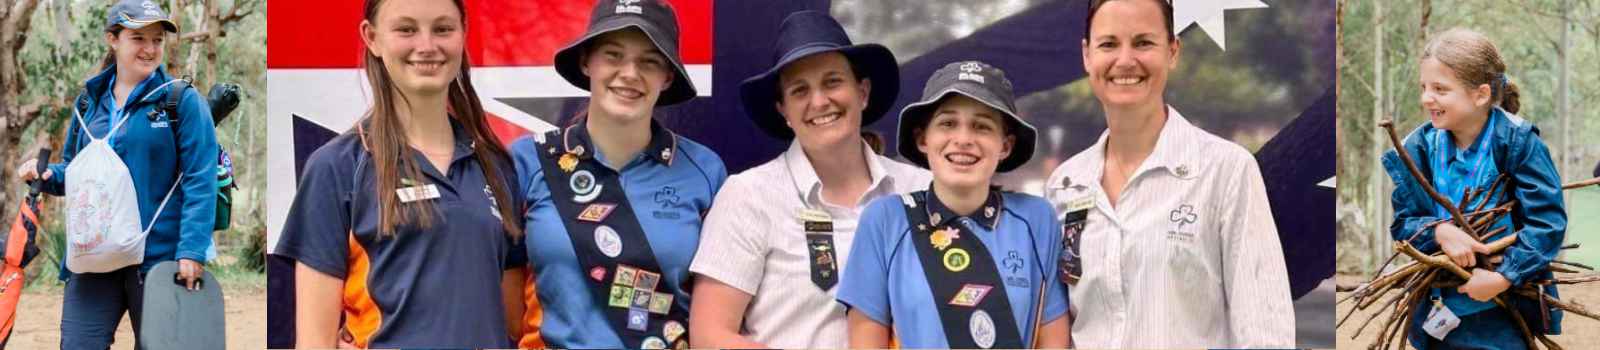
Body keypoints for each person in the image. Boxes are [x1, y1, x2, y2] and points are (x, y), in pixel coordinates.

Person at [274, 0, 527, 347]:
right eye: (406, 29)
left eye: (442, 29)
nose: (427, 46)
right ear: (372, 37)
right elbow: (313, 341)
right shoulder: (336, 167)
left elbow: (512, 320)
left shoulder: (497, 167)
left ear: (463, 33)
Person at [1043, 0, 1294, 347]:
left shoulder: (1226, 171)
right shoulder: (1065, 185)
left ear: (1173, 51)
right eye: (1109, 44)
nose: (1126, 60)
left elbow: (1265, 331)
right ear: (1087, 55)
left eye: (1143, 42)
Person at [686, 10, 931, 349]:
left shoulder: (921, 190)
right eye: (800, 91)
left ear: (863, 92)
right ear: (784, 110)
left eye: (832, 82)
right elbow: (710, 336)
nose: (819, 101)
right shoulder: (748, 196)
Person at [511, 1, 727, 349]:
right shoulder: (528, 161)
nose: (629, 73)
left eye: (649, 61)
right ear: (587, 62)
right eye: (613, 55)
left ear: (667, 76)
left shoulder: (705, 170)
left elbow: (719, 311)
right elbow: (503, 302)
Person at [12, 0, 218, 347]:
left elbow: (201, 176)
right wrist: (48, 176)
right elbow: (78, 175)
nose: (150, 49)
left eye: (157, 40)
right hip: (92, 258)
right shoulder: (87, 104)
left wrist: (192, 250)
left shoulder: (180, 101)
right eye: (138, 38)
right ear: (113, 39)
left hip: (157, 259)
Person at [837, 61, 1070, 349]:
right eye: (948, 123)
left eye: (981, 126)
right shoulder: (886, 220)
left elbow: (1054, 341)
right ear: (923, 138)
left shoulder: (1036, 218)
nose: (963, 139)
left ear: (1005, 146)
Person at [1387, 28, 1565, 350]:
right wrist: (1438, 231)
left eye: (1440, 89)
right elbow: (1403, 223)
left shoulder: (1517, 142)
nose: (1427, 98)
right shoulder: (1419, 148)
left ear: (1480, 94)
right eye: (1424, 87)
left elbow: (1547, 223)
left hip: (1503, 308)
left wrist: (1503, 277)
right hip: (1438, 304)